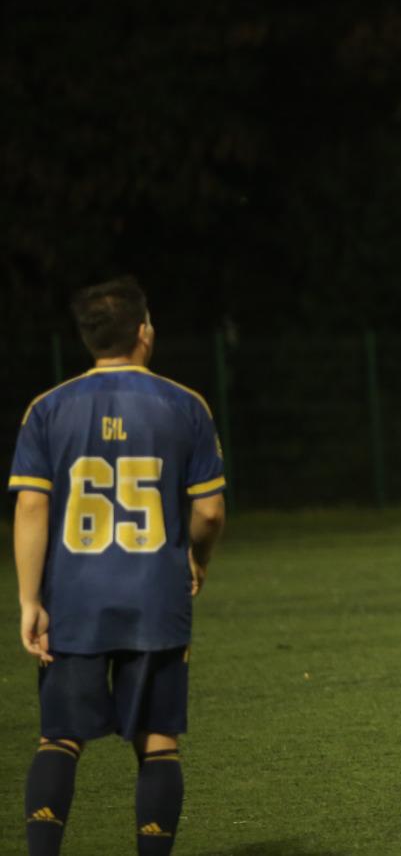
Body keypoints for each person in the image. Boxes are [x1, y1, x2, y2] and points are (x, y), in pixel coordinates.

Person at [8, 277, 227, 856]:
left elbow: (31, 504)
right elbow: (208, 511)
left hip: (73, 599)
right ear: (144, 332)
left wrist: (31, 600)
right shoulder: (185, 405)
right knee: (158, 742)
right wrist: (196, 561)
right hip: (156, 597)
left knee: (58, 738)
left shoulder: (48, 408)